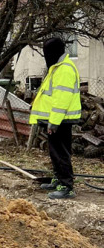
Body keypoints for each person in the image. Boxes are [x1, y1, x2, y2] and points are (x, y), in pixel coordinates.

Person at [29, 37, 82, 199]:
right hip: (57, 119)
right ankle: (58, 180)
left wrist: (54, 122)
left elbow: (61, 100)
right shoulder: (57, 68)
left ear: (53, 53)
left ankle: (66, 187)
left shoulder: (64, 69)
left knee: (61, 153)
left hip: (60, 120)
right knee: (55, 152)